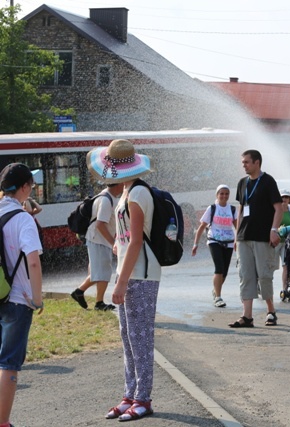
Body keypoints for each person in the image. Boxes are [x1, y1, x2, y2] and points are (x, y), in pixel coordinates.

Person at [87, 139, 158, 421]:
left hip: (140, 275)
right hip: (130, 273)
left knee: (140, 339)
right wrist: (118, 245)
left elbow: (137, 241)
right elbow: (127, 238)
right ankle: (130, 394)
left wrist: (121, 282)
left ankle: (143, 398)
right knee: (128, 338)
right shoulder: (128, 192)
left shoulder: (139, 194)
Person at [0, 163, 44, 427]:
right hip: (16, 300)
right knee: (9, 363)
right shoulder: (23, 219)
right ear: (25, 188)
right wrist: (37, 299)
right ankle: (3, 421)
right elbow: (34, 262)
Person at [230, 149, 283, 328]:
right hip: (244, 236)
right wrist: (237, 236)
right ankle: (247, 316)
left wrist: (274, 230)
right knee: (245, 275)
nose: (243, 165)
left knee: (264, 276)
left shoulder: (268, 181)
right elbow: (241, 208)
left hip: (262, 237)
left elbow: (279, 208)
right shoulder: (242, 183)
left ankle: (271, 311)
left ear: (257, 162)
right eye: (243, 162)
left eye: (246, 162)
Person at [70, 183, 124, 311]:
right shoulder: (106, 200)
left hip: (98, 239)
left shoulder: (107, 196)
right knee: (103, 271)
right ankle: (97, 302)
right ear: (118, 185)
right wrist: (113, 243)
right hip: (98, 239)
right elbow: (100, 224)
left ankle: (81, 293)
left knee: (99, 271)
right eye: (123, 183)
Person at [192, 184, 238, 308]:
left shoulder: (232, 209)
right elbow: (202, 226)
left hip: (228, 241)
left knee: (225, 272)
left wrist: (236, 241)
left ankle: (215, 290)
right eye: (221, 193)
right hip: (214, 240)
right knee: (219, 268)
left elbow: (237, 227)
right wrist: (195, 243)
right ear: (217, 195)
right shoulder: (212, 208)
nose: (224, 196)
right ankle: (218, 297)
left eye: (226, 193)